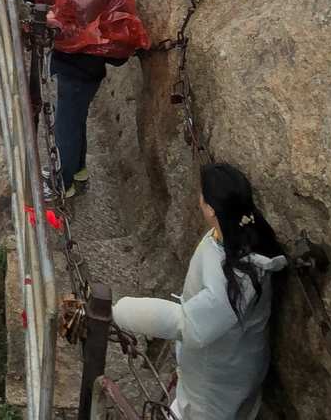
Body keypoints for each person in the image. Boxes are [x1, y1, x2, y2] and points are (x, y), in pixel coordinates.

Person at [114, 163, 287, 420]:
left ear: (211, 209)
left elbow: (187, 323)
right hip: (231, 362)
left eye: (202, 194)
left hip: (215, 382)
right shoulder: (241, 235)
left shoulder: (237, 279)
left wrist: (119, 312)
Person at [3, 0, 147, 198]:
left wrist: (43, 22)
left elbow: (70, 22)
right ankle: (76, 169)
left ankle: (63, 184)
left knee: (66, 123)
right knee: (75, 118)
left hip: (81, 63)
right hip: (83, 60)